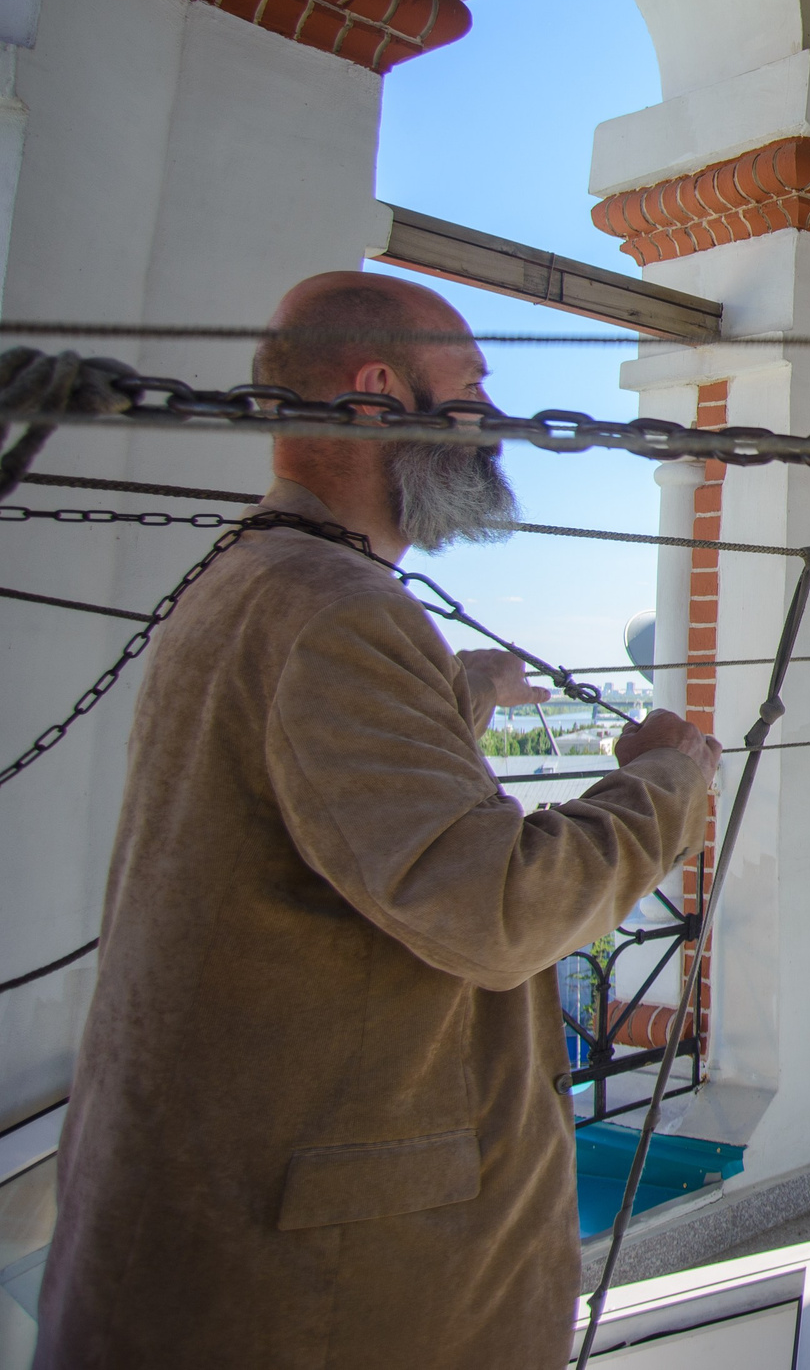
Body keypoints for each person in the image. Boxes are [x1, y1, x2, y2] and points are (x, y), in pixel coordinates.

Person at [36, 272, 721, 1370]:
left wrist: (466, 685)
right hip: (322, 1284)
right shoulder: (338, 611)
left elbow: (329, 774)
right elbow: (498, 911)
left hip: (217, 1224)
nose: (494, 424)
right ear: (377, 392)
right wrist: (665, 781)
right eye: (471, 389)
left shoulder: (261, 576)